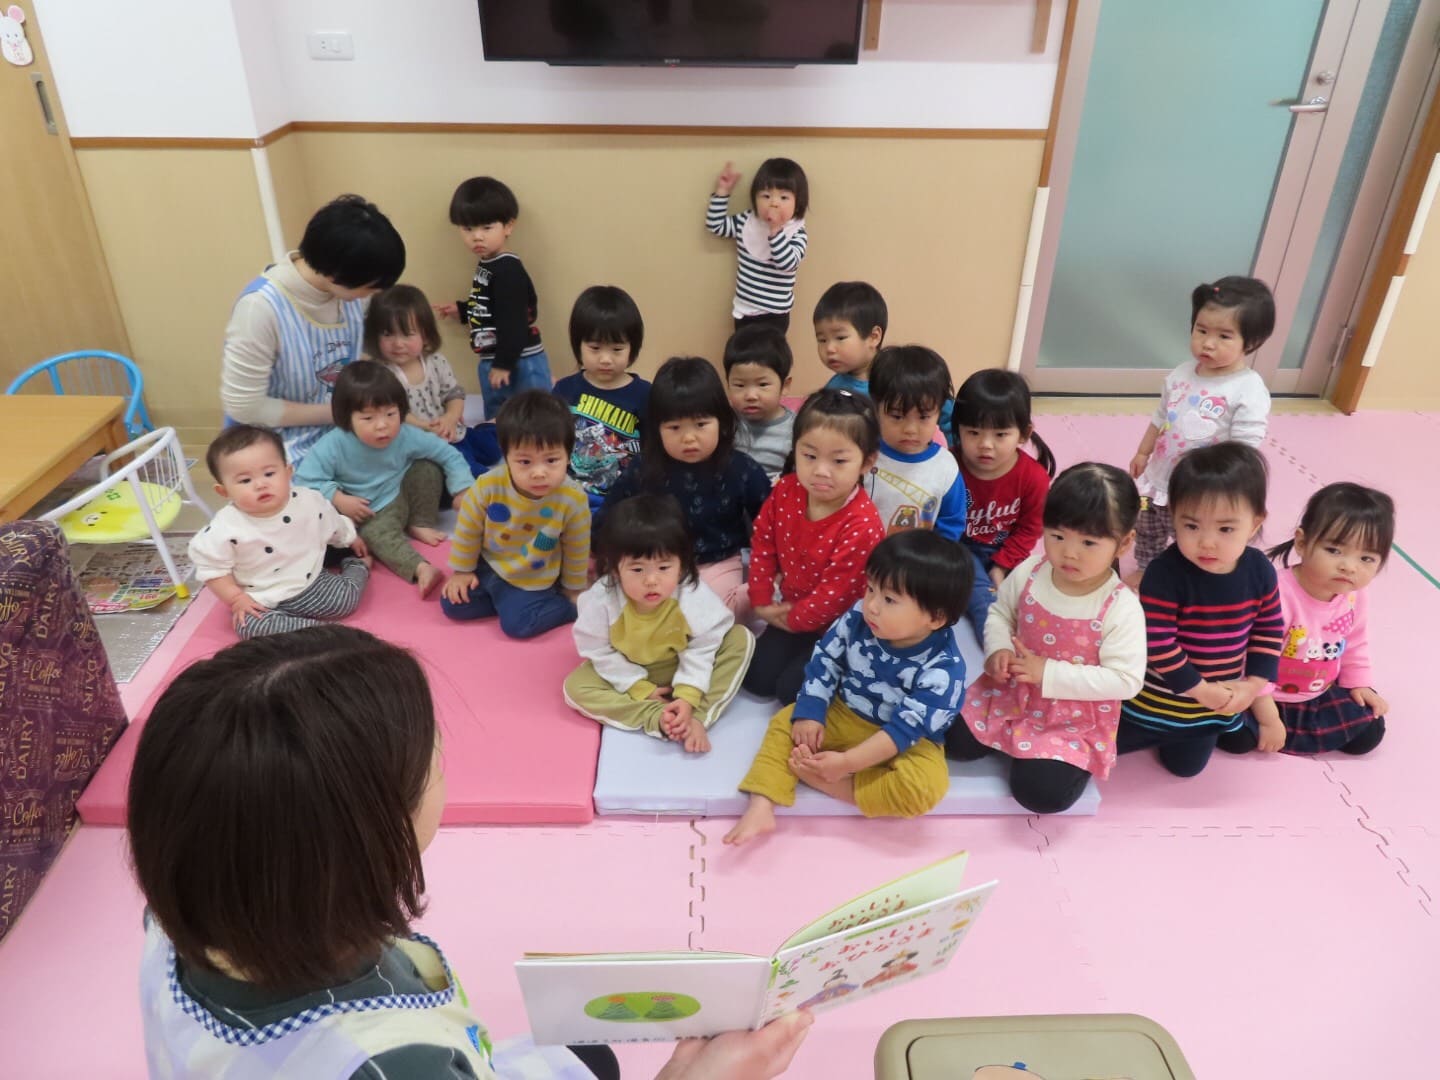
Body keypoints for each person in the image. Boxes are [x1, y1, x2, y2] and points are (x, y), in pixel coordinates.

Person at [127, 625, 813, 1079]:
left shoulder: (188, 904)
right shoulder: (396, 1065)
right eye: (430, 762)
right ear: (363, 836)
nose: (444, 759)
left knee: (587, 1055)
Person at [724, 531, 970, 845]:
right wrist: (811, 712)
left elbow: (903, 733)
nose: (872, 606)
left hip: (902, 740)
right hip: (845, 710)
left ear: (935, 618)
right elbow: (826, 659)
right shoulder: (858, 616)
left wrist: (847, 765)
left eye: (889, 599)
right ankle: (761, 805)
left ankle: (839, 787)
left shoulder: (944, 670)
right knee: (785, 724)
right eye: (870, 589)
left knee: (926, 787)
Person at [946, 463, 1146, 814]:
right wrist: (999, 649)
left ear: (1124, 542)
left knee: (1040, 794)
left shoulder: (1120, 607)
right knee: (951, 741)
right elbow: (999, 614)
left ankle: (1058, 758)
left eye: (1088, 542)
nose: (1069, 552)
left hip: (1070, 718)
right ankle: (1011, 739)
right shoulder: (1031, 570)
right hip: (1009, 692)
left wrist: (1047, 673)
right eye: (1057, 536)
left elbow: (1126, 681)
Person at [1118, 442, 1285, 777]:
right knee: (1104, 748)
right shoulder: (1165, 572)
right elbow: (1159, 642)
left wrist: (1252, 686)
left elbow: (1269, 631)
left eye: (1225, 529)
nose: (1207, 542)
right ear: (1174, 517)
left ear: (1254, 524)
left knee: (1186, 769)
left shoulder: (1259, 570)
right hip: (1152, 704)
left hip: (1213, 710)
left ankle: (1228, 726)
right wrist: (1200, 690)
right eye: (1191, 526)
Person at [221, 194, 405, 466]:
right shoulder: (260, 309)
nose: (376, 294)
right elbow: (245, 406)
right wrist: (339, 413)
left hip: (343, 424)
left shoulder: (349, 294)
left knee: (422, 467)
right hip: (275, 442)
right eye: (371, 286)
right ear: (335, 274)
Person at [564, 494, 755, 753]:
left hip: (682, 661)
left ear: (681, 565)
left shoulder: (691, 594)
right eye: (637, 570)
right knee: (575, 687)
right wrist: (638, 687)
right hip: (630, 666)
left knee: (739, 639)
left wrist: (688, 696)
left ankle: (697, 717)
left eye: (664, 567)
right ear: (614, 569)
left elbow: (703, 646)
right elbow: (598, 650)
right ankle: (657, 717)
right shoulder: (600, 600)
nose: (651, 580)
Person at [1218, 482, 1394, 757]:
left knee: (1370, 732)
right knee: (1234, 738)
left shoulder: (1354, 595)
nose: (1349, 566)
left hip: (1315, 692)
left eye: (1367, 558)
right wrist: (1268, 718)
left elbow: (1356, 643)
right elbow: (1251, 660)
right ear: (1302, 542)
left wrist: (1358, 684)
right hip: (1260, 693)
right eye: (1334, 550)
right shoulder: (1276, 594)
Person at [742, 390, 886, 705]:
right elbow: (763, 541)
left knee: (789, 692)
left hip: (841, 626)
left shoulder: (862, 524)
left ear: (867, 462)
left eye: (838, 460)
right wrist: (763, 600)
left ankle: (850, 667)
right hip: (792, 608)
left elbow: (834, 593)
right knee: (755, 681)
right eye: (809, 456)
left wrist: (793, 620)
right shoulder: (787, 490)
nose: (821, 470)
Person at [1128, 276, 1276, 580]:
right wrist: (1143, 452)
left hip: (1203, 489)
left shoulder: (1247, 389)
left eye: (1224, 336)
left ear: (1251, 342)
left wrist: (1228, 487)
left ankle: (1196, 576)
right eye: (1201, 330)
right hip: (1159, 479)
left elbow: (1244, 450)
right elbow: (1161, 417)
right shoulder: (1181, 374)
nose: (1208, 342)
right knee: (1148, 528)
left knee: (1196, 534)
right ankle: (1147, 570)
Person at [600, 357, 771, 620]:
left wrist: (769, 572)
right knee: (623, 612)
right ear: (657, 430)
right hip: (656, 563)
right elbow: (611, 517)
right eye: (675, 427)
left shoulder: (742, 469)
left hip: (717, 562)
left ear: (722, 422)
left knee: (712, 616)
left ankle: (741, 608)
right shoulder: (644, 468)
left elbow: (771, 522)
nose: (689, 437)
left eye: (701, 425)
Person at [296, 362, 473, 599]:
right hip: (371, 510)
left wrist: (462, 489)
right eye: (368, 418)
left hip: (403, 491)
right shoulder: (334, 445)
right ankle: (421, 568)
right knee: (374, 535)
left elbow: (448, 453)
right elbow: (304, 481)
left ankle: (420, 522)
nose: (383, 425)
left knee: (428, 467)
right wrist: (337, 497)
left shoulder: (406, 434)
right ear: (346, 418)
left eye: (391, 414)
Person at [188, 425, 371, 638]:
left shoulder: (309, 501)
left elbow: (331, 522)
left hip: (309, 582)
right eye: (245, 480)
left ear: (288, 472)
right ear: (224, 491)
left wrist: (350, 537)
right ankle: (319, 633)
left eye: (269, 473)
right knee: (248, 627)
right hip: (259, 596)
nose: (261, 484)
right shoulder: (224, 528)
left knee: (344, 602)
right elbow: (212, 568)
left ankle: (358, 566)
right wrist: (236, 599)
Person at [442, 390, 591, 638]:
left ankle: (556, 607)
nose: (539, 473)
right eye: (525, 462)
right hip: (489, 564)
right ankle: (506, 600)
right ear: (506, 454)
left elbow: (577, 546)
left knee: (518, 625)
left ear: (568, 454)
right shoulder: (487, 486)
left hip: (532, 574)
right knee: (452, 605)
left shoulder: (572, 498)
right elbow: (468, 530)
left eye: (551, 460)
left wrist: (573, 591)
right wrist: (463, 572)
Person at [951, 369, 1056, 640]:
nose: (985, 445)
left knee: (1042, 592)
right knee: (980, 596)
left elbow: (1029, 530)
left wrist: (1002, 566)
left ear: (1023, 434)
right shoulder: (948, 466)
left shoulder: (1033, 478)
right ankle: (997, 645)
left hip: (1009, 551)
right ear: (957, 430)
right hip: (959, 549)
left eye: (1000, 435)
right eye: (973, 432)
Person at [436, 176, 551, 419]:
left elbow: (513, 321)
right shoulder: (489, 265)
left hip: (518, 361)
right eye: (468, 229)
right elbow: (493, 307)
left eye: (486, 228)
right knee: (500, 422)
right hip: (498, 358)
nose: (477, 237)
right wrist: (464, 310)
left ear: (508, 226)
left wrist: (503, 363)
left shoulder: (507, 270)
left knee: (532, 420)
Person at [365, 284, 499, 477]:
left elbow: (454, 394)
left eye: (407, 334)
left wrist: (450, 418)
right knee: (467, 470)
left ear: (425, 335)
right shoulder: (380, 373)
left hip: (451, 431)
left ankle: (491, 427)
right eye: (387, 334)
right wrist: (426, 427)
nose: (398, 343)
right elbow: (395, 413)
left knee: (491, 450)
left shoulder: (435, 361)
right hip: (421, 444)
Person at [552, 285, 651, 510]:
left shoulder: (645, 394)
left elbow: (654, 453)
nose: (605, 359)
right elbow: (550, 441)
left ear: (632, 348)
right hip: (570, 495)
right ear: (578, 345)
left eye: (617, 349)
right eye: (595, 348)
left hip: (625, 499)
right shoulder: (564, 390)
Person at [862, 345, 964, 538]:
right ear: (875, 408)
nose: (910, 429)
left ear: (939, 412)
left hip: (917, 563)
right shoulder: (863, 455)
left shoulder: (946, 467)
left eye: (924, 417)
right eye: (897, 416)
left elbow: (951, 524)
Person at [706, 157, 809, 333]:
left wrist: (776, 231)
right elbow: (716, 225)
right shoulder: (747, 222)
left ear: (797, 202)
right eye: (766, 196)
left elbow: (787, 264)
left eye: (784, 197)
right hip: (744, 310)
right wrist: (723, 191)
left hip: (775, 314)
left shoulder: (796, 232)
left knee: (769, 360)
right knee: (743, 358)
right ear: (755, 198)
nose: (774, 203)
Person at [724, 323, 795, 483]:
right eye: (740, 385)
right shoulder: (725, 421)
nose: (750, 395)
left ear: (785, 386)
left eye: (762, 385)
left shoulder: (796, 429)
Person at [814, 281, 887, 397]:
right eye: (822, 340)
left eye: (840, 337)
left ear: (873, 337)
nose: (829, 348)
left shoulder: (891, 387)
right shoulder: (835, 386)